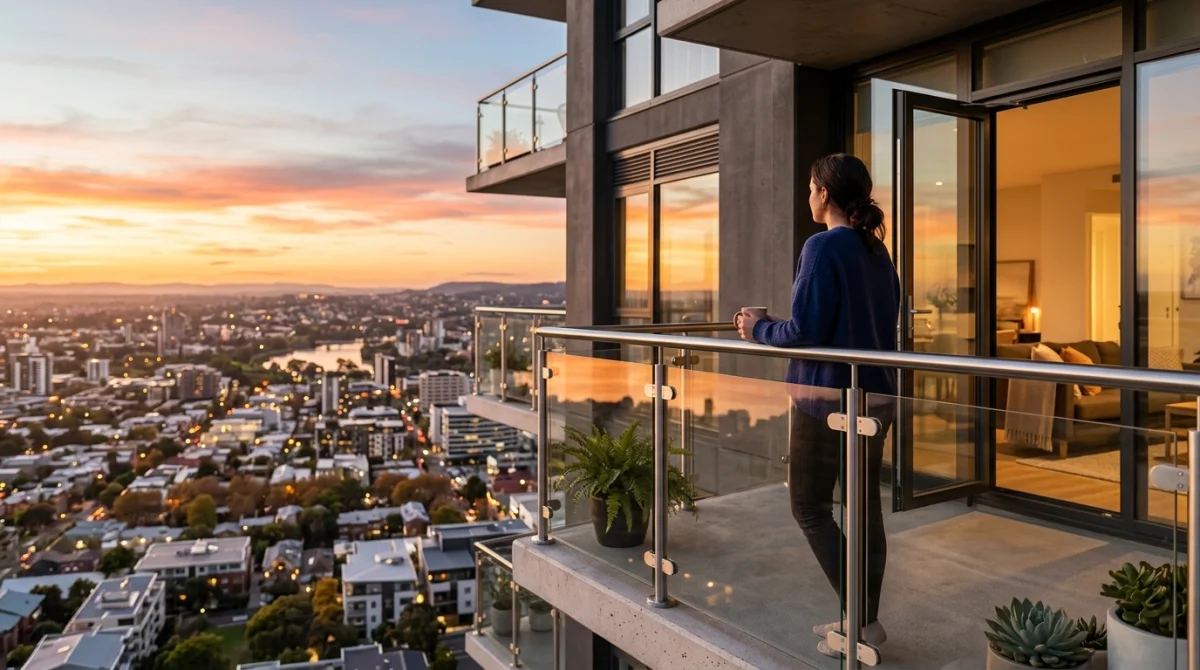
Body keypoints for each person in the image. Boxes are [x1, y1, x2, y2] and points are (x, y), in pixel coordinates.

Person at [736, 153, 899, 657]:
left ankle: (862, 620)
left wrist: (756, 329)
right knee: (863, 506)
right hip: (876, 394)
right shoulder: (877, 252)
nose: (807, 196)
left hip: (826, 398)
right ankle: (860, 619)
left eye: (810, 188)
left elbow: (805, 332)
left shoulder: (823, 246)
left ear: (825, 193)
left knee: (808, 505)